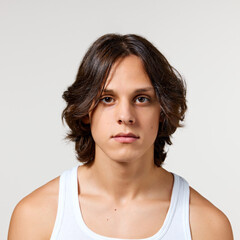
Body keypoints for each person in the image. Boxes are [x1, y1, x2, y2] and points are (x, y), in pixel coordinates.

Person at [8, 33, 233, 240]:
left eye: (142, 98)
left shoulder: (206, 226)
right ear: (86, 111)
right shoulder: (36, 217)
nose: (125, 116)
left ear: (163, 111)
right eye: (107, 99)